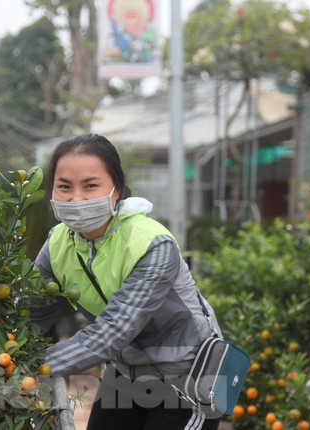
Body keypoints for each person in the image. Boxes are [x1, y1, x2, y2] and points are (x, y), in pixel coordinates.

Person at [30, 134, 223, 430]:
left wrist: (31, 364)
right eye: (64, 186)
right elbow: (32, 312)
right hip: (126, 371)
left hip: (188, 376)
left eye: (91, 185)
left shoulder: (151, 243)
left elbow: (113, 330)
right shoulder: (57, 245)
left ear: (116, 189)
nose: (76, 198)